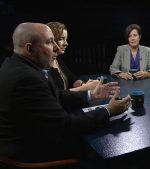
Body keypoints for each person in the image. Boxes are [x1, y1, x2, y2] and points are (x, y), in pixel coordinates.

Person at [0, 22, 132, 162]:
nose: (56, 48)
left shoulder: (17, 66)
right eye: (50, 42)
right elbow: (65, 127)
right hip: (30, 154)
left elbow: (56, 95)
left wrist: (91, 95)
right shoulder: (26, 78)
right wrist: (108, 110)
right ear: (29, 49)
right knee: (106, 151)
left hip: (31, 140)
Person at [46, 21, 98, 91]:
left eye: (66, 39)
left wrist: (84, 85)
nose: (66, 43)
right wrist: (85, 88)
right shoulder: (44, 65)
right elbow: (58, 95)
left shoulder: (57, 59)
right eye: (61, 39)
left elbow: (71, 79)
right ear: (51, 40)